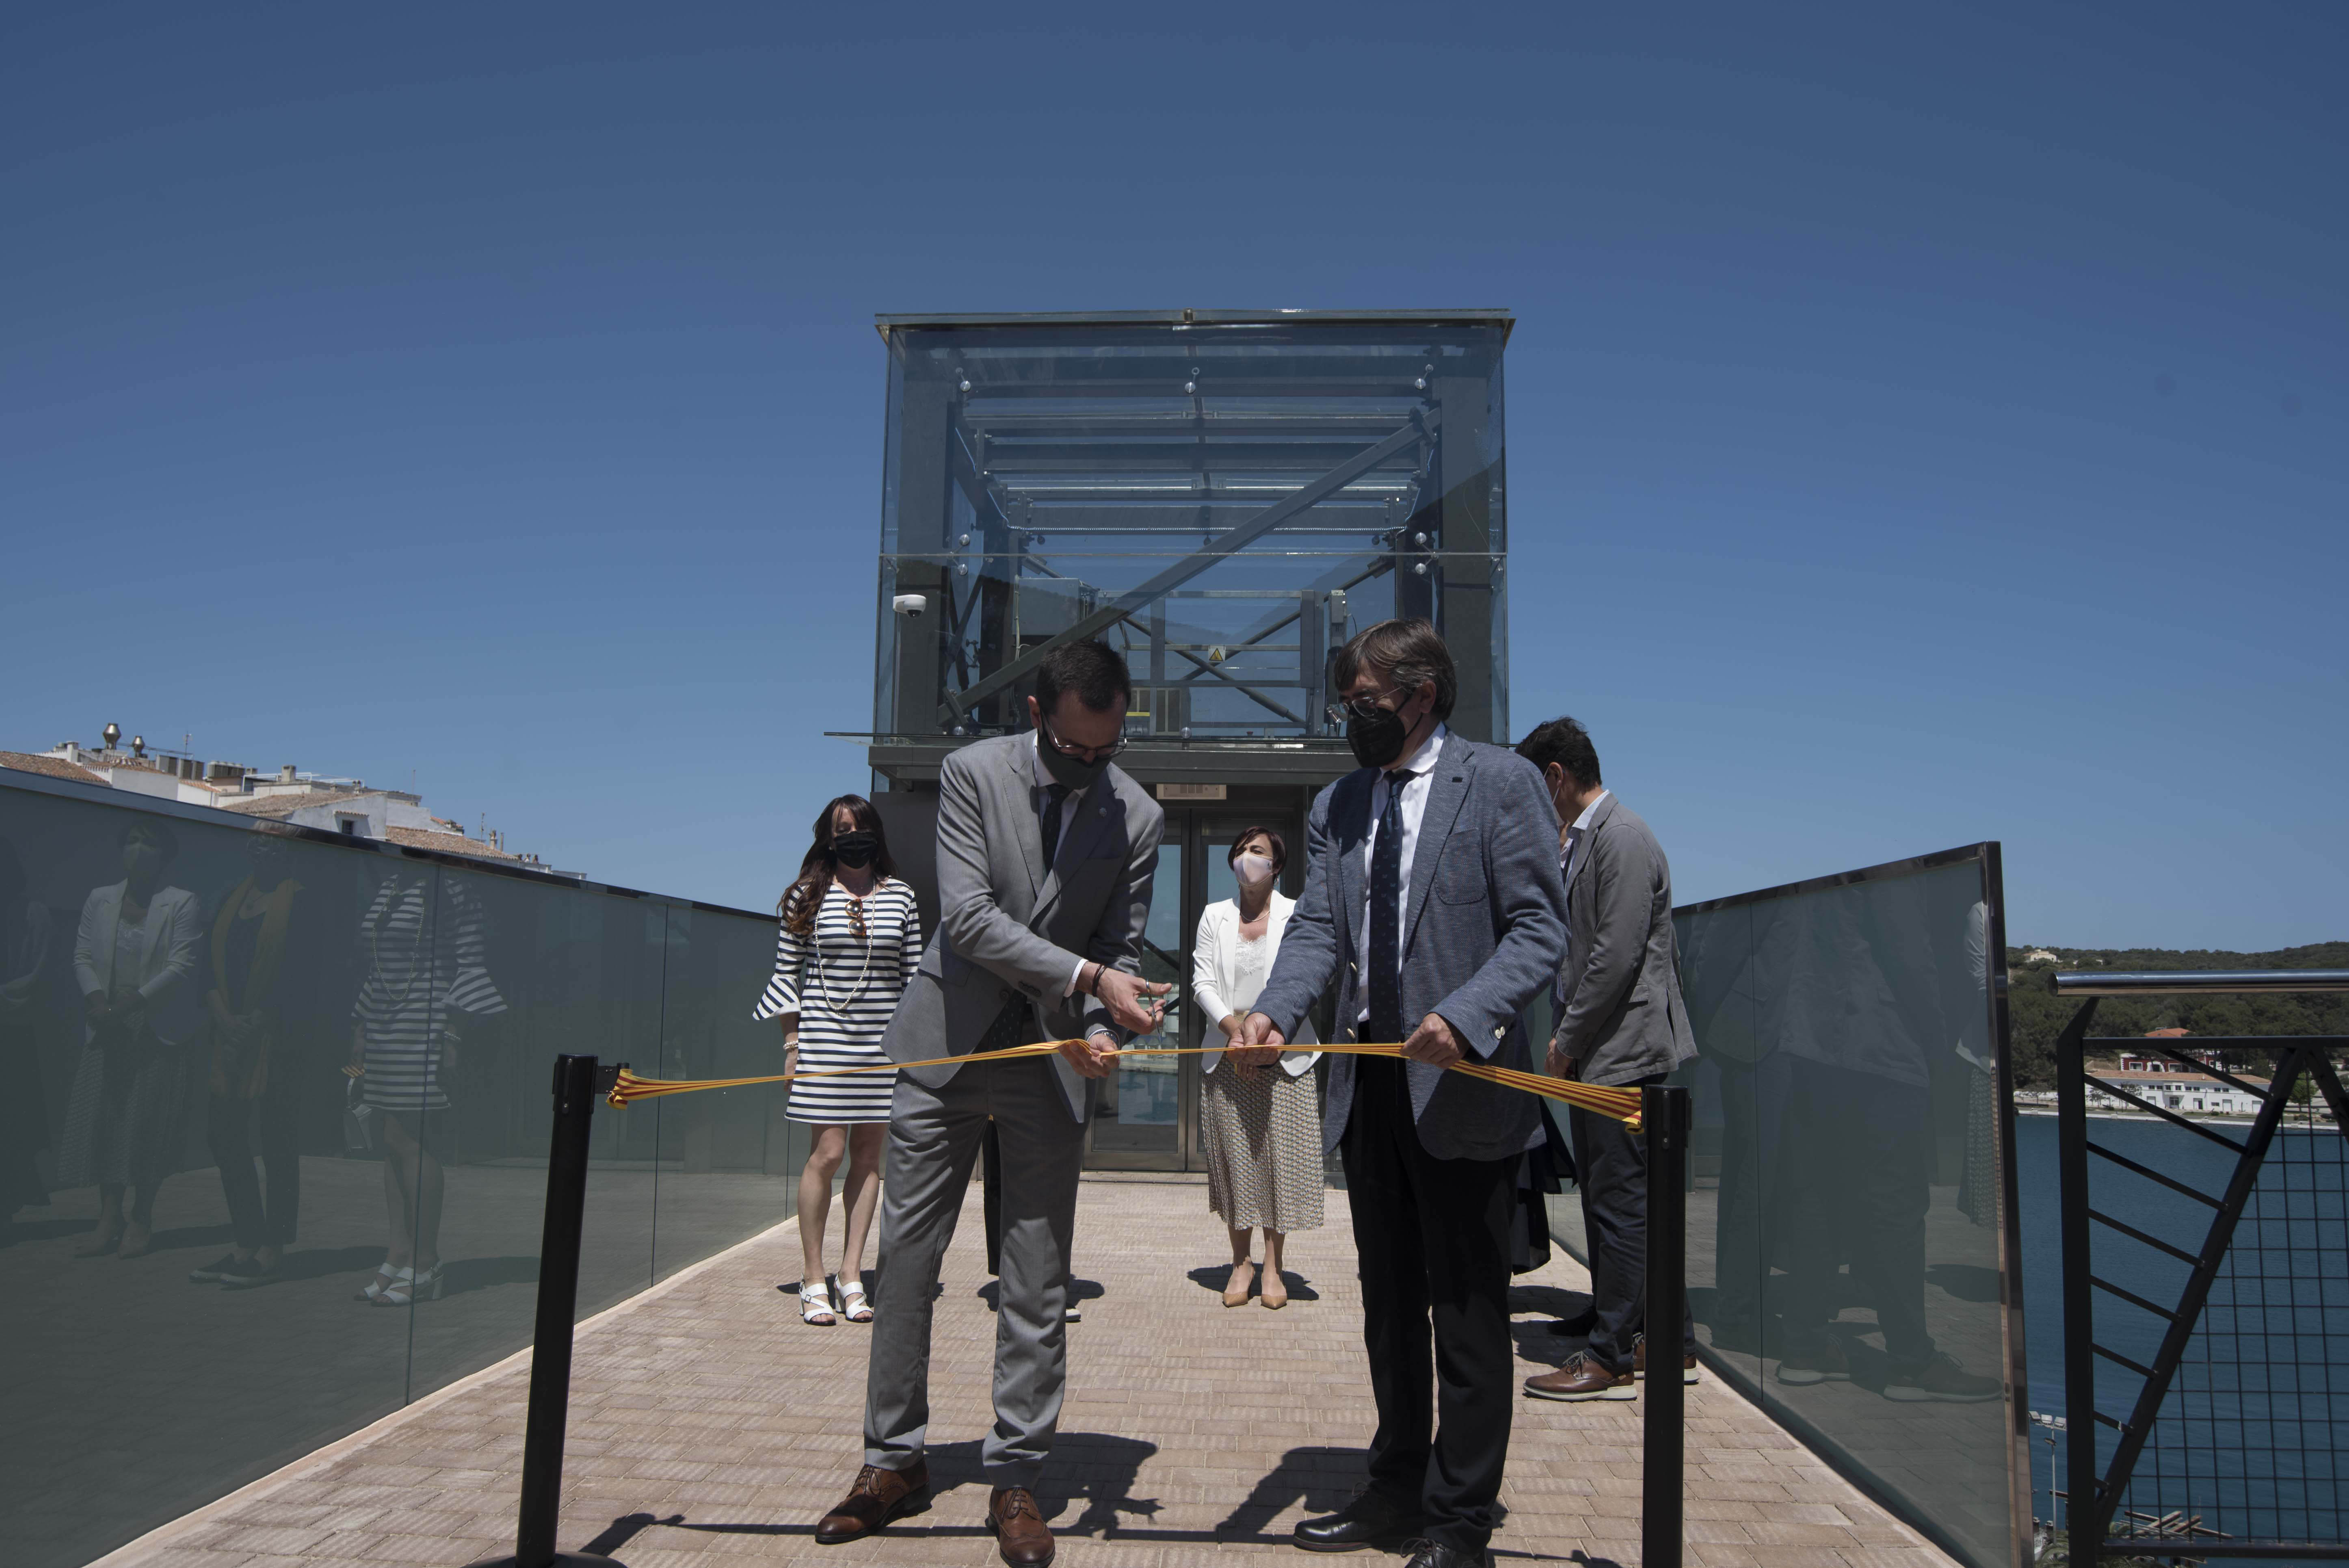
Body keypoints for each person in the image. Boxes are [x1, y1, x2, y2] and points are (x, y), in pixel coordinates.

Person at [813, 638, 1169, 1568]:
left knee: (1037, 1278)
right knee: (906, 1266)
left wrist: (1105, 1019)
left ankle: (1017, 1472)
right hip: (943, 1050)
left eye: (1109, 748)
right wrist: (1090, 973)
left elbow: (1120, 945)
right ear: (1038, 715)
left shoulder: (1138, 815)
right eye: (1076, 748)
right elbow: (967, 920)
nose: (1094, 766)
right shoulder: (971, 773)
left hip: (1050, 1063)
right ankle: (892, 1462)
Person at [1235, 618, 1566, 1568]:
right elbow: (1316, 938)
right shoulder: (1337, 803)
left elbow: (1540, 928)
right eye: (1348, 701)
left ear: (1421, 696)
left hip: (1459, 1083)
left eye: (1367, 701)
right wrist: (1273, 1014)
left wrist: (1466, 1015)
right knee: (1389, 1305)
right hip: (1368, 1086)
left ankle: (1460, 1523)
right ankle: (1393, 1488)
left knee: (1466, 1310)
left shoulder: (1501, 783)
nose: (1353, 717)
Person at [1515, 716, 1701, 1402]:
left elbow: (1612, 956)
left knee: (1621, 1203)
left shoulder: (1620, 838)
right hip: (1605, 1054)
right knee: (1616, 1199)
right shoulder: (1586, 839)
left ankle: (1613, 1355)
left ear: (1556, 777)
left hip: (1620, 1054)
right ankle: (1657, 1335)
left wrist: (1564, 1039)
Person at [755, 794, 921, 1326]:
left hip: (883, 1045)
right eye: (840, 828)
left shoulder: (901, 897)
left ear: (875, 832)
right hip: (824, 1041)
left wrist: (915, 1052)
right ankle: (811, 1275)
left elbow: (913, 979)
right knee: (827, 1152)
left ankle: (852, 1274)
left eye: (859, 826)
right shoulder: (806, 895)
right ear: (827, 837)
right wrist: (792, 1046)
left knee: (869, 1156)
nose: (851, 835)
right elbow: (786, 975)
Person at [348, 867, 505, 1306]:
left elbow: (471, 963)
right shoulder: (390, 884)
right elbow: (378, 962)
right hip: (384, 1022)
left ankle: (427, 1261)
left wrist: (451, 1038)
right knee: (388, 1139)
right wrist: (361, 1027)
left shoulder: (451, 888)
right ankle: (398, 1254)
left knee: (410, 1140)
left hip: (425, 1025)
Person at [59, 817, 204, 1259]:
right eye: (133, 842)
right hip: (108, 1025)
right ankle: (109, 1216)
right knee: (108, 1122)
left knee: (147, 1125)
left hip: (153, 1027)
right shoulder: (99, 899)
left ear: (166, 856)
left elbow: (180, 966)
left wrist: (129, 1005)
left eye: (150, 844)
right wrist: (98, 1000)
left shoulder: (181, 903)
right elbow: (83, 954)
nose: (140, 850)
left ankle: (142, 1214)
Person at [1192, 826, 1322, 1309]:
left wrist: (1263, 1036)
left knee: (1277, 1163)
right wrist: (1233, 1031)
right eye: (1242, 851)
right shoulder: (1214, 916)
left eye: (1258, 852)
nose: (1247, 859)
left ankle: (1273, 1264)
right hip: (1228, 1052)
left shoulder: (1297, 914)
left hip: (1283, 1051)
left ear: (1277, 866)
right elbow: (1202, 979)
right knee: (1236, 1163)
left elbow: (1304, 978)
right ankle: (1240, 1262)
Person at [188, 828, 309, 1289]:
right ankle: (245, 1239)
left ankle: (272, 1249)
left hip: (276, 1040)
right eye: (258, 843)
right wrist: (225, 1019)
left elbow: (302, 977)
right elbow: (206, 968)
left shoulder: (301, 903)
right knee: (224, 1136)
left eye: (276, 845)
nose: (266, 850)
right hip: (227, 1035)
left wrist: (255, 1022)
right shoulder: (229, 900)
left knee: (277, 1140)